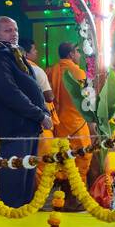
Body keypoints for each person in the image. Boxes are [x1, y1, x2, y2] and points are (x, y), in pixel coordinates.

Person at [0, 16, 51, 206]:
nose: (14, 34)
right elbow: (10, 94)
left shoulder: (13, 54)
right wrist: (39, 114)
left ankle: (23, 219)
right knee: (15, 181)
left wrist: (42, 112)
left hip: (28, 126)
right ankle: (9, 220)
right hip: (15, 128)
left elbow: (32, 87)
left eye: (15, 30)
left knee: (27, 178)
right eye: (8, 30)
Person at [47, 41, 93, 185]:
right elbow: (86, 99)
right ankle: (77, 197)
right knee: (82, 156)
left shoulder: (50, 71)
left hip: (58, 123)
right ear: (71, 54)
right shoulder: (77, 72)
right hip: (76, 122)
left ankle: (65, 195)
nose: (79, 55)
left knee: (63, 158)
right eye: (78, 51)